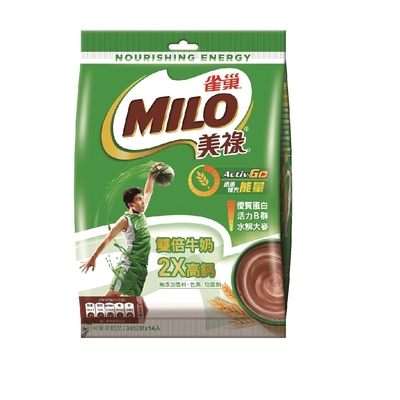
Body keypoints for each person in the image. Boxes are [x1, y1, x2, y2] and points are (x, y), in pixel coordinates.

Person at [80, 162, 164, 297]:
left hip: (141, 265)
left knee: (132, 298)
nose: (143, 202)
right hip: (129, 263)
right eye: (139, 200)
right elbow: (108, 239)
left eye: (142, 198)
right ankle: (95, 311)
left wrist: (151, 173)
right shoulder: (125, 220)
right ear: (131, 204)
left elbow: (149, 191)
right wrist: (93, 258)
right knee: (113, 295)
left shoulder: (141, 212)